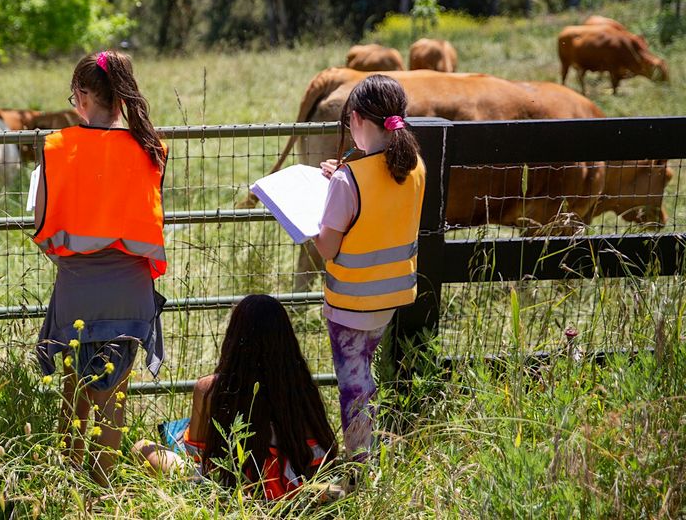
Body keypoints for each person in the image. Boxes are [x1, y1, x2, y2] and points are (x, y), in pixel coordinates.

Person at [32, 50, 167, 484]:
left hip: (77, 285)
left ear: (85, 95)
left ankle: (77, 491)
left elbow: (40, 224)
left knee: (74, 394)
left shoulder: (57, 147)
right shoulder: (150, 148)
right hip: (131, 289)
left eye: (74, 95)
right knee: (113, 395)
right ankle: (102, 491)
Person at [313, 74, 425, 461]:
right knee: (365, 369)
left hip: (350, 302)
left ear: (357, 120)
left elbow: (327, 247)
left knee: (354, 383)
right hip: (390, 295)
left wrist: (325, 200)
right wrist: (339, 181)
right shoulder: (415, 168)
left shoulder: (348, 181)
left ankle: (360, 465)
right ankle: (367, 450)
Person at [134, 295, 338, 501]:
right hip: (293, 490)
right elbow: (322, 453)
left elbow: (196, 455)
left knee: (141, 447)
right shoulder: (301, 387)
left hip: (225, 489)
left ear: (235, 336)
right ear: (286, 338)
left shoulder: (210, 389)